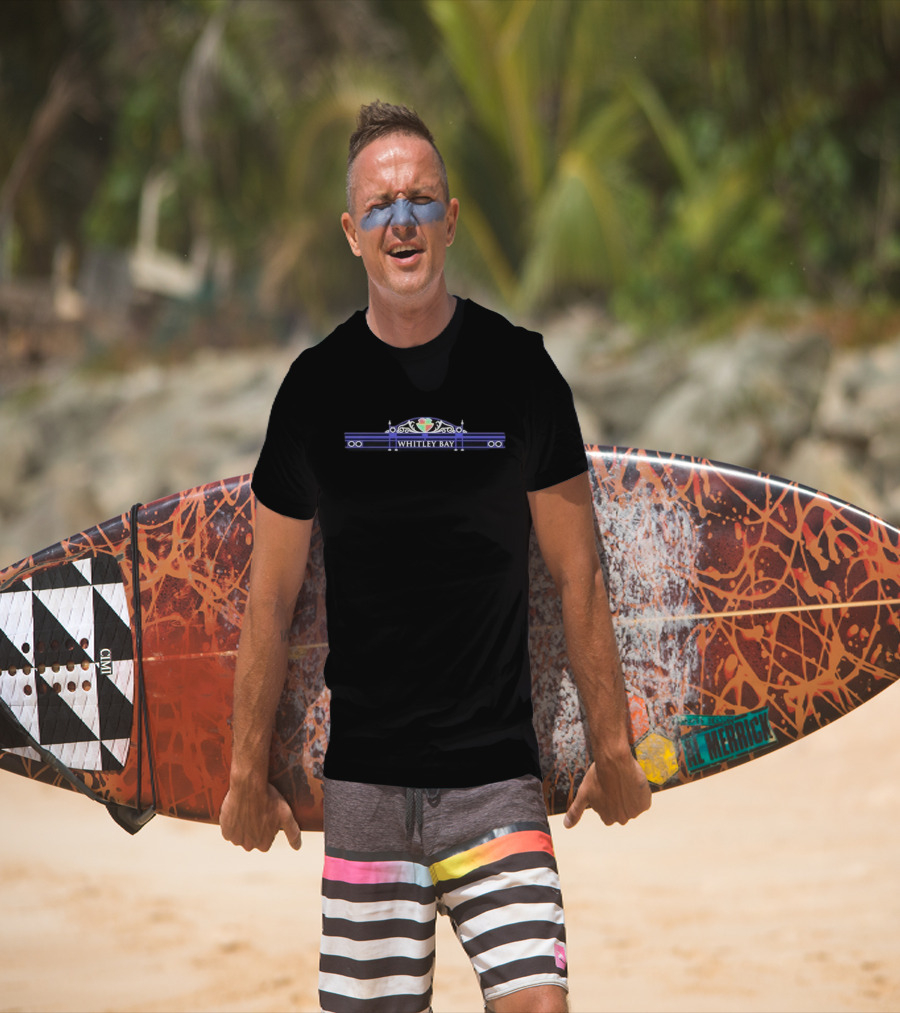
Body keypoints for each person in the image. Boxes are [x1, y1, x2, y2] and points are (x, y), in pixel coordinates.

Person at [220, 100, 651, 1013]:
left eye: (421, 200)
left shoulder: (522, 372)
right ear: (351, 233)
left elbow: (579, 575)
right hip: (367, 788)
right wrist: (242, 772)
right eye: (380, 206)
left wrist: (612, 746)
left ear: (451, 219)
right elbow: (270, 599)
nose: (402, 220)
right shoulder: (313, 390)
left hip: (496, 781)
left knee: (540, 1003)